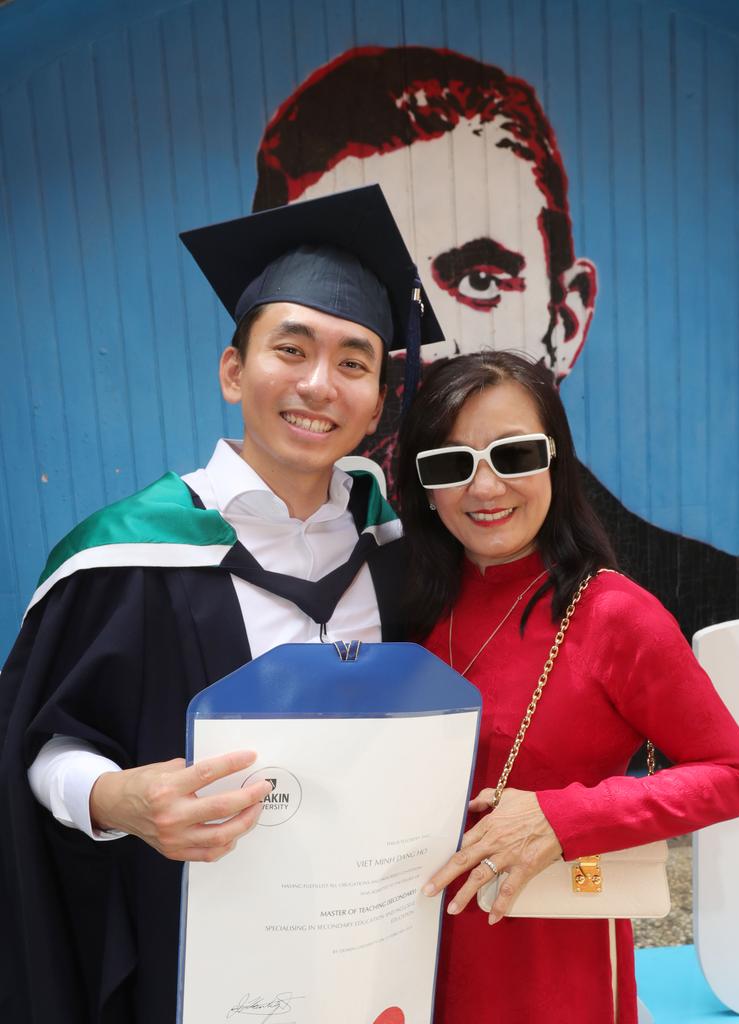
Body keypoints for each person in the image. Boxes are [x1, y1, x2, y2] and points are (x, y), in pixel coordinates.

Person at [0, 185, 442, 1024]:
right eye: (292, 349)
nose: (320, 384)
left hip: (370, 944)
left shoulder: (398, 553)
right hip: (193, 945)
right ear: (233, 369)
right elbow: (42, 745)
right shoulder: (125, 557)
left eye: (355, 362)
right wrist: (115, 799)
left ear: (378, 400)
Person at [251, 44, 739, 641]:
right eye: (383, 298)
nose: (428, 347)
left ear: (566, 322)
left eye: (479, 281)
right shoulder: (285, 588)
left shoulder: (717, 614)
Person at [396, 350, 739, 1024]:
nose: (484, 488)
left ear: (556, 464)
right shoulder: (407, 609)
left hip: (553, 968)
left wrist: (564, 817)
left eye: (514, 455)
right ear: (423, 487)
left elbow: (737, 775)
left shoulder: (612, 615)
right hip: (407, 963)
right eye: (451, 464)